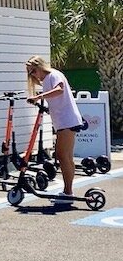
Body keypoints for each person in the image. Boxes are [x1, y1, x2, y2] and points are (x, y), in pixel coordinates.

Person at [25, 55, 84, 202]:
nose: (32, 76)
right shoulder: (47, 80)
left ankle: (68, 192)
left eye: (32, 71)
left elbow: (59, 90)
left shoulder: (53, 75)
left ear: (39, 67)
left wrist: (39, 97)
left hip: (67, 121)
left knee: (62, 156)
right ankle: (68, 191)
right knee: (66, 157)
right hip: (65, 121)